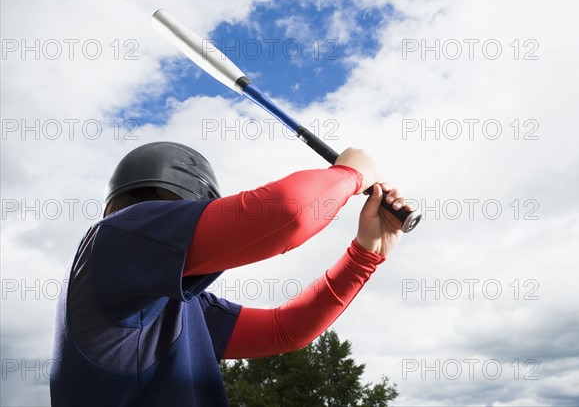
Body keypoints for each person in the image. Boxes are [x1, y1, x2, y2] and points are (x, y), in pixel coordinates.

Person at [50, 141, 411, 407]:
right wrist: (350, 174)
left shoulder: (176, 305)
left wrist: (366, 254)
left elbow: (285, 330)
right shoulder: (116, 238)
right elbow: (286, 213)